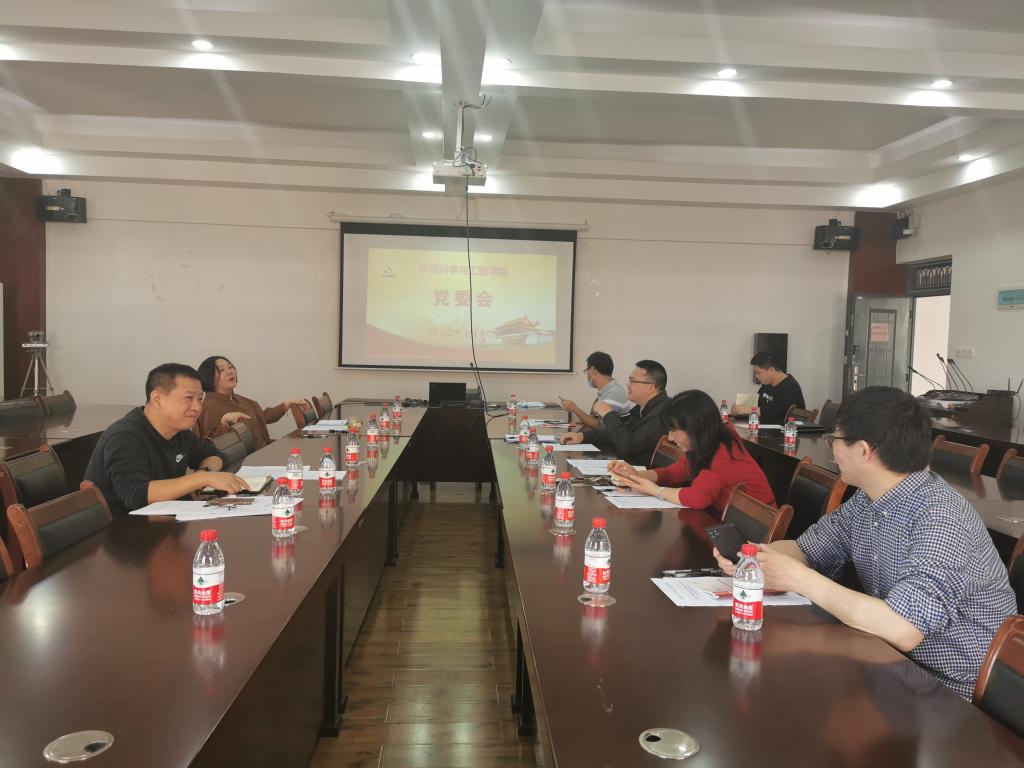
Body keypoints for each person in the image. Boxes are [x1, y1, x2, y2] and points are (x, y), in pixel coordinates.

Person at [714, 386, 1016, 699]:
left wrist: (798, 579)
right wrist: (752, 558)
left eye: (835, 439)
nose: (832, 449)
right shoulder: (868, 500)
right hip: (889, 662)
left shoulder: (940, 518)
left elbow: (904, 628)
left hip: (952, 692)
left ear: (863, 451)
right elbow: (806, 549)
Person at [85, 363, 246, 518]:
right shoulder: (124, 438)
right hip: (127, 529)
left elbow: (214, 455)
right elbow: (136, 494)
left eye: (199, 399)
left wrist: (205, 472)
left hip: (167, 520)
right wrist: (201, 479)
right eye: (188, 398)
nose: (197, 407)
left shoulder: (179, 430)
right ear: (157, 399)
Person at [608, 390, 774, 514]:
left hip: (754, 531)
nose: (670, 438)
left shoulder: (723, 451)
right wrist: (635, 475)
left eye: (674, 431)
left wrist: (655, 491)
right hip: (724, 519)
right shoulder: (707, 439)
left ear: (695, 428)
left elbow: (697, 498)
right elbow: (676, 472)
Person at [558, 359, 669, 465]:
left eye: (632, 381)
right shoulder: (643, 408)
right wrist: (582, 436)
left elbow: (627, 445)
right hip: (630, 465)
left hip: (644, 473)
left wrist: (608, 414)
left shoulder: (662, 414)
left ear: (650, 387)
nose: (628, 385)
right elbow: (618, 433)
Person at [194, 355, 310, 449]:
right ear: (209, 377)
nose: (230, 372)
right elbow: (210, 444)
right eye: (221, 370)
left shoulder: (237, 398)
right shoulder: (209, 405)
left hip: (264, 450)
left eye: (230, 367)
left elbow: (262, 417)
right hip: (247, 461)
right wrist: (224, 423)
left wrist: (286, 404)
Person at [559, 351, 632, 429]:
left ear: (593, 370)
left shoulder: (613, 394)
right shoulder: (609, 390)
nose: (587, 374)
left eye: (586, 370)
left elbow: (601, 426)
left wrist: (575, 409)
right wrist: (584, 420)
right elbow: (599, 420)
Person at [749, 351, 805, 424]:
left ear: (771, 370)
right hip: (766, 427)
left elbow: (775, 415)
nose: (756, 376)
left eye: (758, 372)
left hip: (785, 429)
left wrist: (746, 410)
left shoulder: (790, 387)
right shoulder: (767, 384)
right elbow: (758, 405)